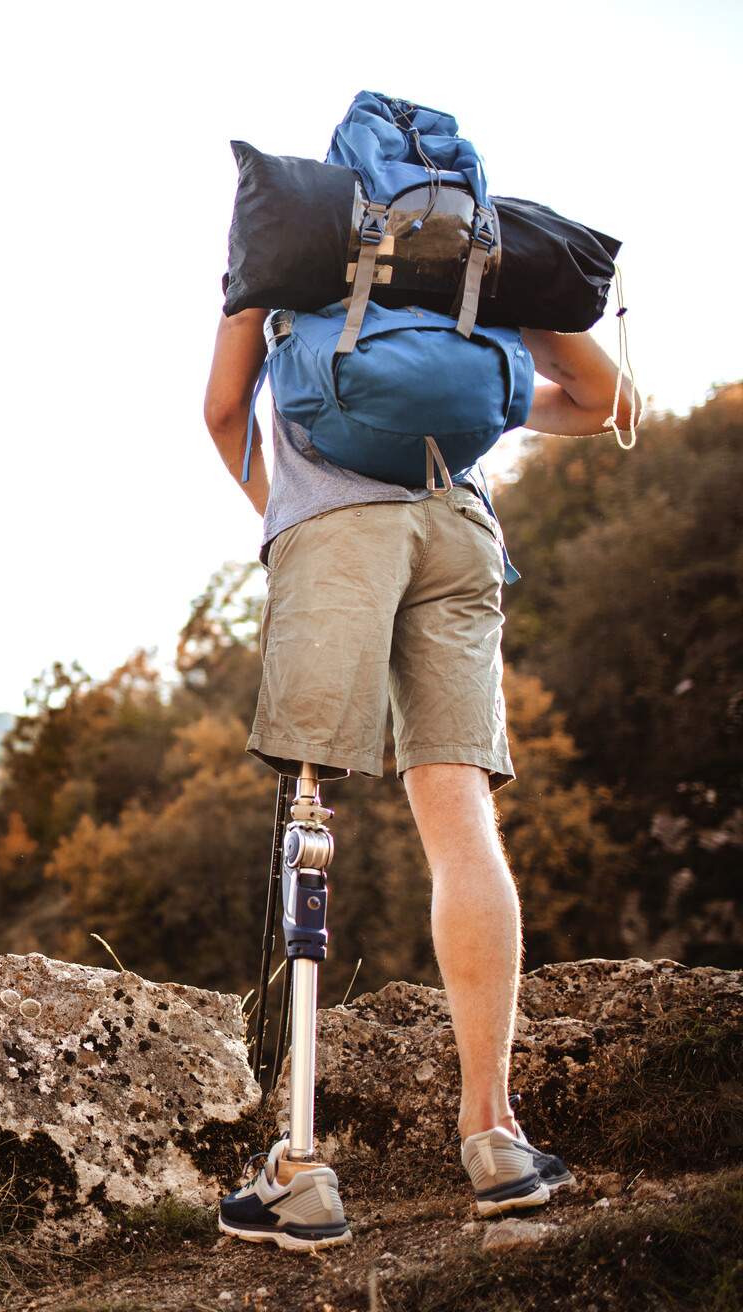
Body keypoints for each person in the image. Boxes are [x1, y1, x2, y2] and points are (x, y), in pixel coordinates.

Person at [202, 307, 636, 1247]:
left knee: (310, 809)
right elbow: (607, 401)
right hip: (461, 528)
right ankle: (495, 1136)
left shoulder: (289, 230)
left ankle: (306, 1172)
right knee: (462, 820)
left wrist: (291, 514)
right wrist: (480, 404)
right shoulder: (480, 252)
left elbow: (225, 408)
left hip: (334, 526)